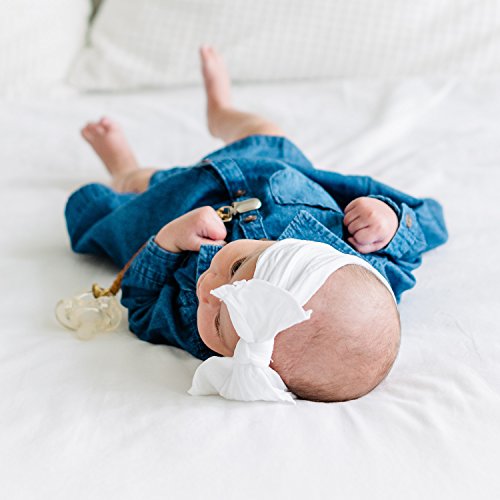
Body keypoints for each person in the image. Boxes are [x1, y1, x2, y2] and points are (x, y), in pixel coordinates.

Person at [65, 46, 448, 403]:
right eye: (236, 266)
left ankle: (125, 169)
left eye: (218, 321)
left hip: (181, 201)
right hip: (265, 169)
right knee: (263, 130)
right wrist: (388, 221)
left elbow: (142, 307)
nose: (207, 289)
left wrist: (169, 240)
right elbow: (428, 226)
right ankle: (221, 111)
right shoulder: (361, 272)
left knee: (135, 194)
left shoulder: (204, 338)